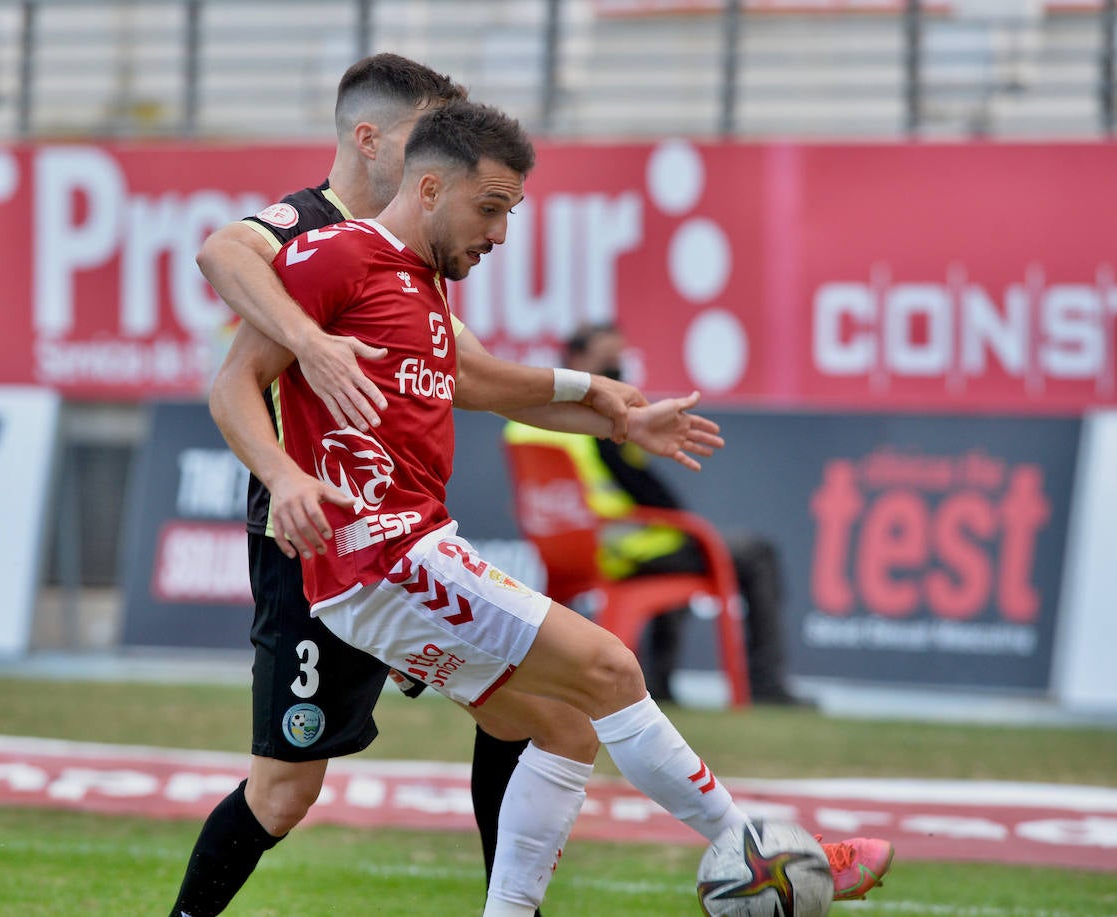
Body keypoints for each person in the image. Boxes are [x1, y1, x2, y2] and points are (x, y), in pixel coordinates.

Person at [208, 98, 895, 914]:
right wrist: (284, 476)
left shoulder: (422, 287)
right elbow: (232, 384)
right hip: (381, 554)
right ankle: (764, 855)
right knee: (609, 666)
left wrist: (612, 407)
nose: (499, 233)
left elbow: (490, 383)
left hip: (386, 567)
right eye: (490, 207)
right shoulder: (335, 256)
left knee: (561, 727)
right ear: (428, 188)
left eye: (510, 212)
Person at [169, 53, 694, 917]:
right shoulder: (310, 226)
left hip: (402, 538)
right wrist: (311, 342)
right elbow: (221, 252)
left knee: (528, 717)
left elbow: (472, 375)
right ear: (372, 140)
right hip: (313, 532)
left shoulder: (413, 257)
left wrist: (601, 402)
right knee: (284, 791)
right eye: (425, 137)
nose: (439, 155)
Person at [505, 323, 811, 706]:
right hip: (625, 551)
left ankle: (659, 683)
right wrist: (687, 524)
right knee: (752, 552)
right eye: (608, 360)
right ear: (576, 360)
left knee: (681, 547)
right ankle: (766, 683)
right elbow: (649, 493)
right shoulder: (601, 422)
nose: (617, 369)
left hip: (564, 554)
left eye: (620, 360)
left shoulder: (524, 427)